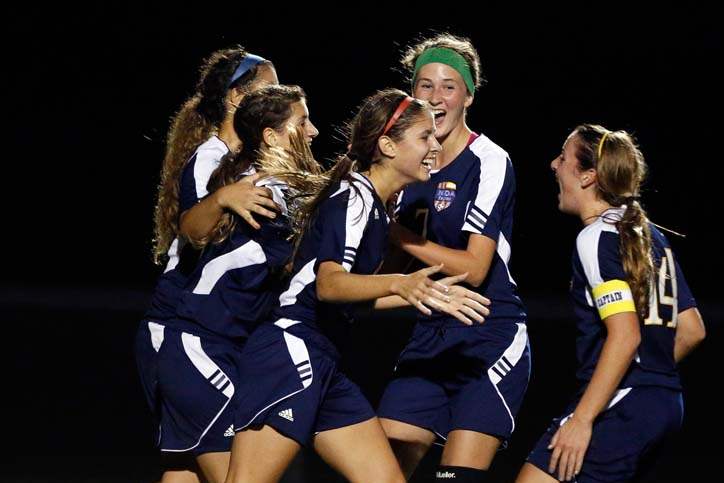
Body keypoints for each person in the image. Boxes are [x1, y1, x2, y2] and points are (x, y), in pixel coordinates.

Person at [224, 88, 491, 483]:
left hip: (325, 360)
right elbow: (329, 286)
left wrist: (426, 294)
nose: (436, 145)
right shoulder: (355, 197)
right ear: (386, 144)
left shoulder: (378, 209)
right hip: (291, 352)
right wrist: (401, 283)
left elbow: (351, 301)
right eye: (424, 137)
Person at [377, 33, 530, 482]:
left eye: (448, 85)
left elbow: (475, 267)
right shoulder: (406, 166)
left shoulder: (488, 160)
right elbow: (388, 271)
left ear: (469, 95)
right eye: (425, 85)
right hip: (429, 338)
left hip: (488, 333)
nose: (436, 96)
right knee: (377, 471)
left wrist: (396, 235)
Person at [516, 124, 706, 483]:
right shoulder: (651, 235)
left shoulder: (595, 238)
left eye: (563, 157)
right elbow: (692, 328)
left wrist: (585, 418)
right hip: (664, 405)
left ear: (588, 176)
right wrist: (647, 381)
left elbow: (626, 335)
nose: (553, 165)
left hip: (623, 406)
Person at [135, 47, 279, 482]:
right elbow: (195, 230)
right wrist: (221, 198)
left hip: (209, 333)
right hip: (179, 330)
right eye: (267, 90)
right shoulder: (212, 158)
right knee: (237, 467)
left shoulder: (253, 165)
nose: (277, 99)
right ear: (236, 98)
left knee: (184, 470)